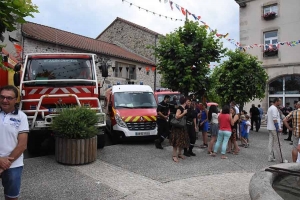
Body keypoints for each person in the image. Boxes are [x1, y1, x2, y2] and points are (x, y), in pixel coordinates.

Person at [0, 85, 29, 200]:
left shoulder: (22, 117)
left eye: (9, 98)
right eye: (2, 97)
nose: (4, 100)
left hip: (14, 164)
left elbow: (22, 145)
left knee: (11, 197)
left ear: (15, 100)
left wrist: (5, 164)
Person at [169, 96, 190, 162]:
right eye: (188, 101)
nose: (189, 102)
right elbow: (177, 116)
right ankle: (174, 156)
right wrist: (184, 113)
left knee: (182, 140)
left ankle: (179, 153)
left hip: (182, 127)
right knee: (176, 141)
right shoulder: (180, 108)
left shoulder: (185, 107)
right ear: (184, 101)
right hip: (177, 127)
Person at [267, 98, 283, 162]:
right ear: (276, 102)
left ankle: (270, 157)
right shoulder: (274, 108)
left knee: (270, 142)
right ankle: (281, 158)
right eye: (279, 101)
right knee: (278, 143)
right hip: (274, 128)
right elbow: (275, 119)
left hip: (270, 127)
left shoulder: (270, 108)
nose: (280, 103)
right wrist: (277, 128)